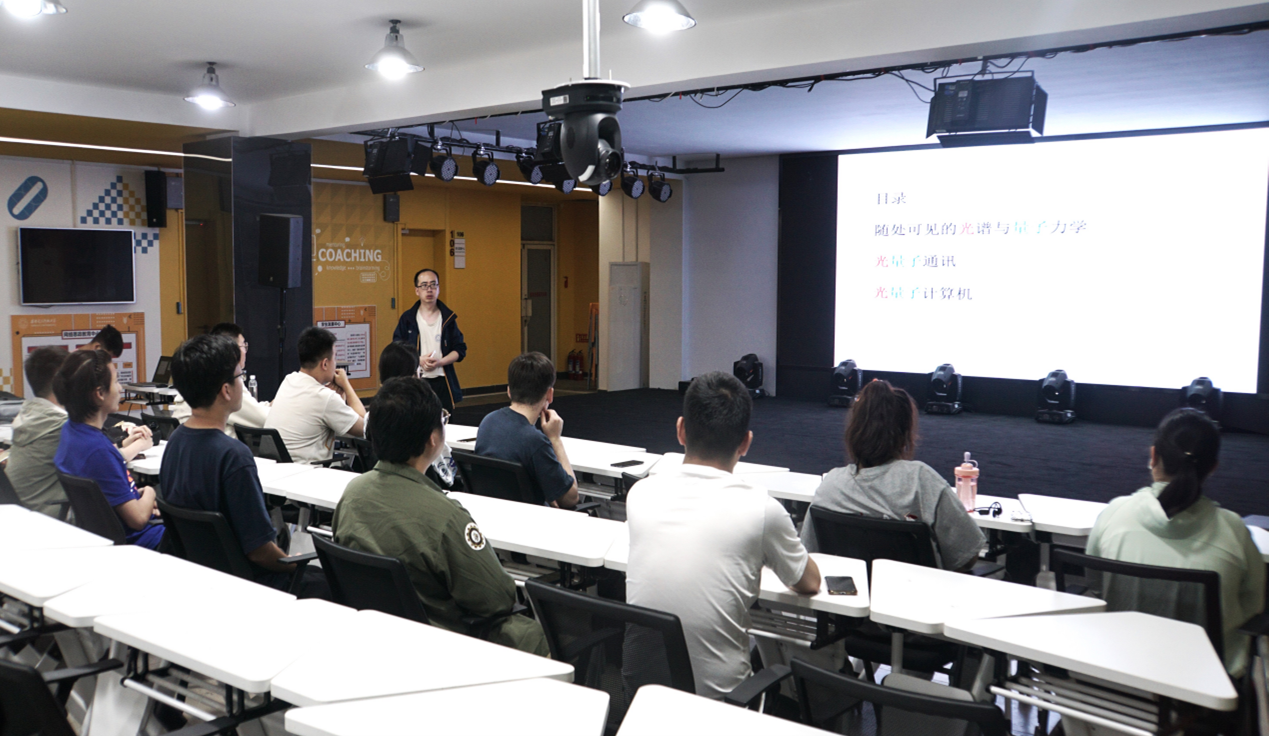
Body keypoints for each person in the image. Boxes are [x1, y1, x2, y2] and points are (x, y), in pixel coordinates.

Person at [625, 371, 821, 700]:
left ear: (681, 430)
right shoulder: (763, 510)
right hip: (722, 707)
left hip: (643, 699)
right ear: (745, 443)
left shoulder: (640, 494)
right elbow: (809, 582)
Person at [333, 377, 548, 656]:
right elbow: (497, 599)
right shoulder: (446, 517)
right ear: (433, 439)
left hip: (376, 638)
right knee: (534, 634)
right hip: (439, 645)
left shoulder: (352, 495)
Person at [1086, 408, 1265, 677]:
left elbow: (1096, 584)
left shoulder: (1114, 514)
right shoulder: (1234, 531)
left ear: (1153, 456)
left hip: (1116, 673)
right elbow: (1253, 605)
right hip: (1204, 684)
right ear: (1213, 467)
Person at [161, 334, 327, 597]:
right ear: (226, 390)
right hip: (246, 585)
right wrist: (293, 564)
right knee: (330, 581)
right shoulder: (234, 457)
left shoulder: (175, 442)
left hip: (200, 578)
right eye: (240, 376)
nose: (242, 382)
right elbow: (260, 551)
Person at [801, 379, 986, 572]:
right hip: (914, 590)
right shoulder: (921, 481)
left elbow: (808, 554)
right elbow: (966, 556)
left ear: (853, 431)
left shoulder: (830, 485)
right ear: (905, 432)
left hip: (852, 590)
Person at [53, 350, 164, 549]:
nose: (120, 388)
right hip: (142, 541)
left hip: (109, 537)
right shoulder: (99, 451)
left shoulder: (71, 432)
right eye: (116, 382)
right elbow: (138, 519)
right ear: (100, 394)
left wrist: (136, 497)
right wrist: (149, 492)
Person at [475, 352, 579, 509]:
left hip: (491, 512)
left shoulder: (488, 421)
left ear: (509, 391)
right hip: (529, 518)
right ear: (550, 395)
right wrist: (555, 439)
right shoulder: (535, 441)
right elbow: (571, 498)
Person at [264, 327, 365, 464]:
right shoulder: (325, 397)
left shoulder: (289, 380)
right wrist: (346, 385)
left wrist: (337, 402)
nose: (336, 363)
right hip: (306, 473)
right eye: (335, 357)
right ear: (325, 363)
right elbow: (364, 427)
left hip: (276, 471)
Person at [171, 323, 269, 436]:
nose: (245, 351)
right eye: (243, 346)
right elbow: (264, 419)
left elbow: (250, 410)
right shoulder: (223, 383)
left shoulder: (198, 378)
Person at [5, 347, 70, 517]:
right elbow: (102, 462)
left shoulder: (29, 412)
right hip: (51, 517)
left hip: (24, 513)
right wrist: (133, 446)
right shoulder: (60, 425)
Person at [391, 268, 466, 412]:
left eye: (433, 285)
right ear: (417, 290)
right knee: (418, 418)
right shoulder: (408, 319)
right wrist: (418, 359)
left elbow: (460, 349)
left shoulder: (448, 318)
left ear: (438, 288)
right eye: (424, 285)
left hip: (443, 380)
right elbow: (397, 348)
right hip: (417, 379)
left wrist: (440, 362)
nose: (429, 289)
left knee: (445, 419)